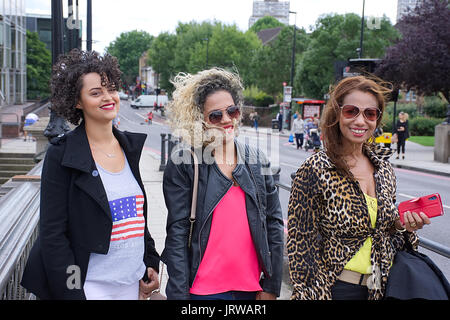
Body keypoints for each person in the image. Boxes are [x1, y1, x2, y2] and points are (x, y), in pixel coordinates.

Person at [21, 49, 160, 300]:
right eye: (96, 92)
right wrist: (72, 293)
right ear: (77, 101)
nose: (108, 97)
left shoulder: (129, 147)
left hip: (130, 284)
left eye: (111, 89)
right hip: (90, 286)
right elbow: (53, 234)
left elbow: (136, 214)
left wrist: (150, 260)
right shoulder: (61, 154)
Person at [287, 76, 431, 300]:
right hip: (336, 290)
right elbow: (300, 245)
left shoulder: (384, 169)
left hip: (380, 288)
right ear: (337, 113)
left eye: (369, 113)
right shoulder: (315, 169)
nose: (360, 121)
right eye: (351, 111)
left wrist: (403, 224)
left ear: (377, 118)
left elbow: (382, 233)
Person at [161, 68, 284, 300]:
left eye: (232, 111)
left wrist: (271, 286)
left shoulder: (257, 160)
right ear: (200, 119)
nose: (227, 120)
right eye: (215, 116)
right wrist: (179, 295)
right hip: (201, 292)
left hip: (250, 290)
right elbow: (178, 234)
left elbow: (274, 224)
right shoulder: (185, 162)